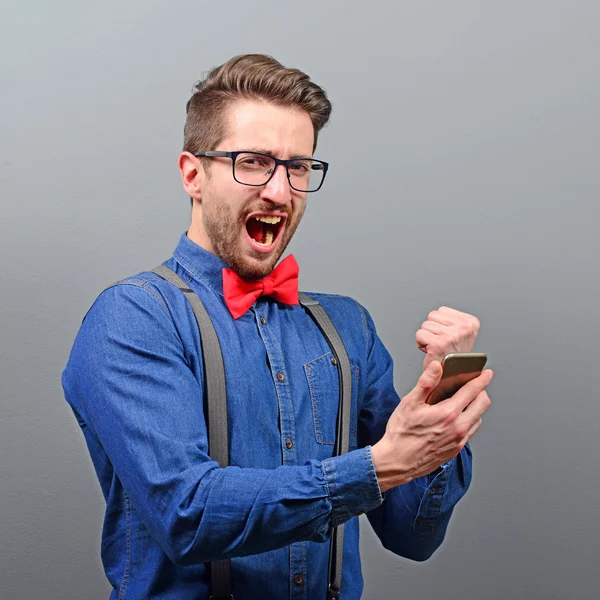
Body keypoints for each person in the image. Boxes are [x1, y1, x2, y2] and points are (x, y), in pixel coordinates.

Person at [62, 54, 492, 600]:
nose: (280, 191)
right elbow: (186, 515)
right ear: (193, 174)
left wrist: (442, 408)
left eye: (297, 167)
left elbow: (414, 536)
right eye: (254, 162)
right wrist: (377, 466)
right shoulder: (134, 318)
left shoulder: (348, 328)